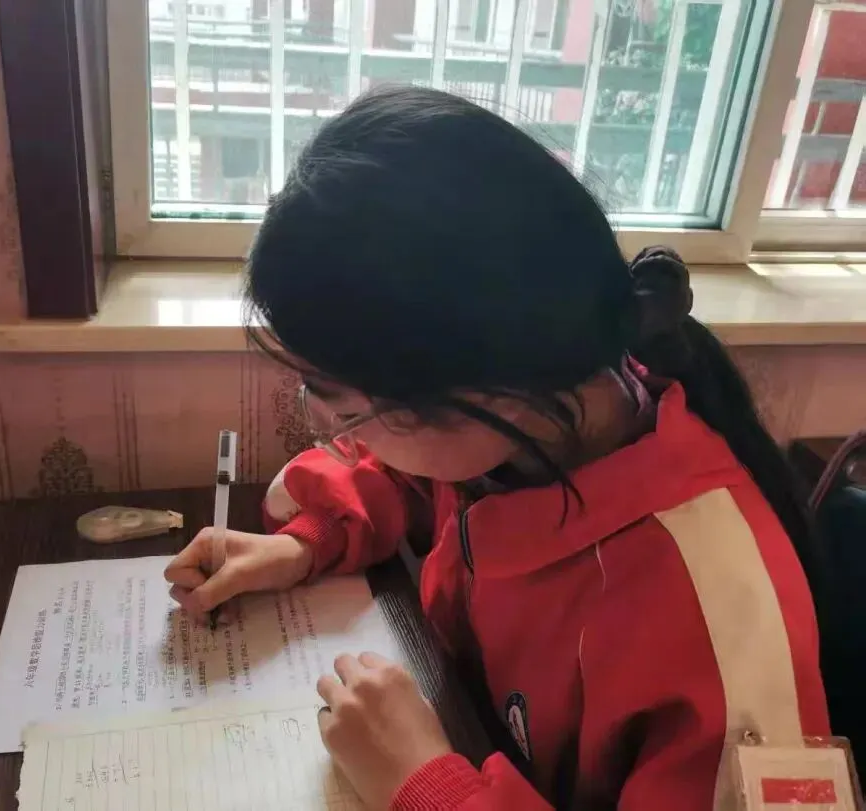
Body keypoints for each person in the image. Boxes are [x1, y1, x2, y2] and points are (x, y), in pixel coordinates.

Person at [163, 86, 830, 810]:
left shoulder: (716, 626)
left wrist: (430, 788)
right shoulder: (530, 427)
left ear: (490, 391)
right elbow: (410, 473)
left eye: (347, 411)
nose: (333, 431)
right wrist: (307, 540)